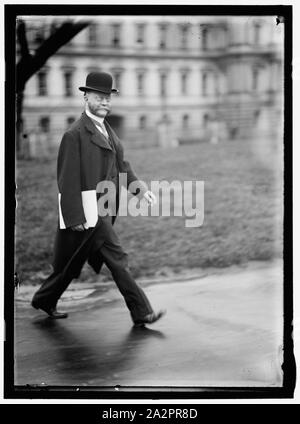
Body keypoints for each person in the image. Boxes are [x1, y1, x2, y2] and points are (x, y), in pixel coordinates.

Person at [31, 71, 166, 326]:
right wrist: (74, 217)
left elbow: (121, 165)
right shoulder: (75, 134)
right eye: (99, 97)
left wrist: (139, 189)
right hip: (88, 211)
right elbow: (66, 178)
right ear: (86, 97)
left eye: (107, 98)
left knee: (71, 264)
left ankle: (44, 299)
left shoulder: (106, 129)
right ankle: (141, 312)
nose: (105, 102)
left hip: (103, 208)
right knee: (117, 259)